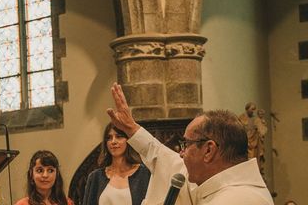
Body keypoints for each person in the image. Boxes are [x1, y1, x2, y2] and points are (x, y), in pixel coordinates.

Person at [107, 82, 273, 205]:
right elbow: (162, 156)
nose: (181, 153)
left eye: (186, 144)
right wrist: (131, 129)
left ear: (209, 150)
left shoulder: (238, 199)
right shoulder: (217, 183)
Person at [82, 122, 150, 205]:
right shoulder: (95, 177)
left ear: (128, 140)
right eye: (109, 138)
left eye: (119, 136)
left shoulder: (144, 174)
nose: (113, 141)